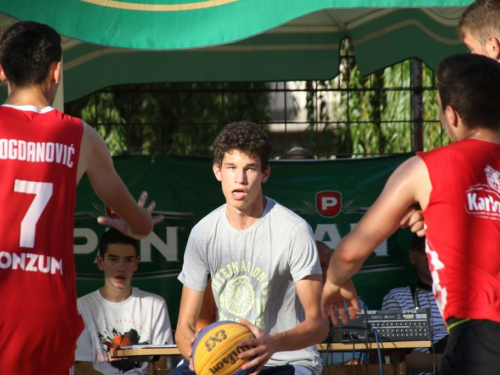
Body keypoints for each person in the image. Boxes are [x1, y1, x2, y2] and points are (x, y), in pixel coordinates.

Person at [322, 53, 500, 375]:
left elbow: (349, 251)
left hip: (480, 335)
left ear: (451, 115)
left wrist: (335, 280)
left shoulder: (425, 169)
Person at [0, 21, 160, 375]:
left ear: (1, 71)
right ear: (56, 71)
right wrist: (139, 221)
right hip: (48, 313)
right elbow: (139, 224)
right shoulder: (81, 136)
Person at [175, 121, 328, 375]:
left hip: (286, 361)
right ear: (217, 171)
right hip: (226, 360)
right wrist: (196, 356)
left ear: (265, 174)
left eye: (250, 169)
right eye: (231, 167)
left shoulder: (294, 230)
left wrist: (273, 342)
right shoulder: (202, 234)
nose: (240, 179)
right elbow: (183, 328)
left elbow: (319, 325)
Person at [75, 229, 173, 375]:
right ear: (101, 262)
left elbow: (160, 367)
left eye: (128, 260)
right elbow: (83, 369)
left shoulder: (155, 305)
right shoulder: (82, 306)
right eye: (113, 259)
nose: (121, 267)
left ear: (136, 263)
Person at [381, 234, 448, 375]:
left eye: (436, 248)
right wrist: (447, 361)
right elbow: (395, 356)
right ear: (412, 257)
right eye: (423, 250)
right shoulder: (397, 297)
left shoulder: (474, 294)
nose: (430, 255)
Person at [317, 241, 365, 366]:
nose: (319, 271)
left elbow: (356, 362)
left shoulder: (353, 305)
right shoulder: (286, 305)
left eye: (323, 265)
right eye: (313, 265)